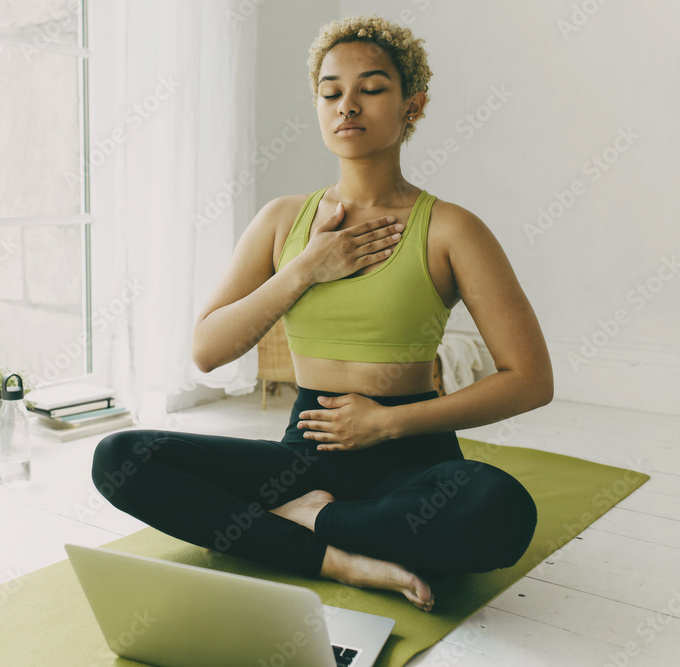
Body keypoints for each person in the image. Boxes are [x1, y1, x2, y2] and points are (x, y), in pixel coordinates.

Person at [91, 15, 552, 612]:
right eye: (331, 92)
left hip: (411, 455)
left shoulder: (452, 229)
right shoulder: (283, 220)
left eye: (372, 88)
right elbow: (207, 350)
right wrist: (306, 269)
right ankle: (337, 552)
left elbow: (530, 379)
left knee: (500, 509)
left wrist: (387, 424)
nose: (348, 106)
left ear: (413, 105)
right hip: (304, 455)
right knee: (120, 459)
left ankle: (309, 523)